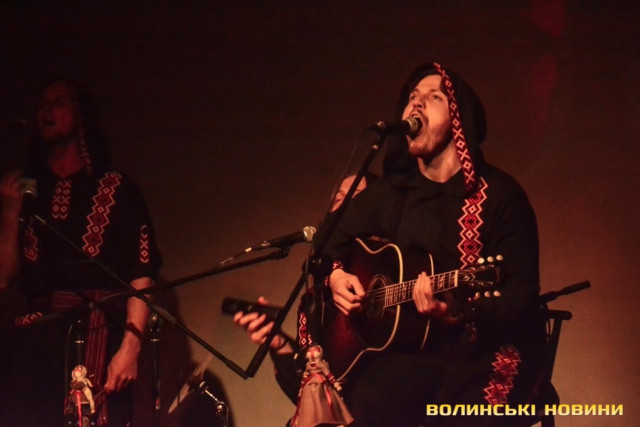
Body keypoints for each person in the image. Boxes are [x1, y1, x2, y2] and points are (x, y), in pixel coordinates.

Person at [321, 62, 545, 426]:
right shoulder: (393, 193)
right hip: (419, 351)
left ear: (459, 118)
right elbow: (327, 240)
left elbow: (521, 292)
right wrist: (335, 277)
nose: (417, 103)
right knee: (370, 399)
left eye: (434, 97)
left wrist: (459, 313)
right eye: (412, 97)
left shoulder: (501, 196)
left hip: (492, 352)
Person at [0, 78, 162, 426]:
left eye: (58, 102)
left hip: (99, 337)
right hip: (36, 343)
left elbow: (142, 273)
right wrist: (11, 212)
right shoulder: (28, 192)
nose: (47, 110)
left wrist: (131, 348)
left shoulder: (117, 188)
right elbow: (4, 276)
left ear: (80, 114)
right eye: (42, 104)